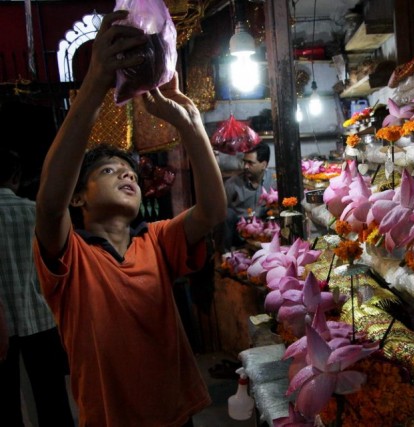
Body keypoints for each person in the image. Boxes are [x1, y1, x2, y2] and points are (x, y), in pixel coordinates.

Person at [32, 10, 226, 427]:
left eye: (131, 175)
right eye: (109, 171)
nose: (127, 176)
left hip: (175, 415)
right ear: (79, 197)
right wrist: (96, 82)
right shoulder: (70, 258)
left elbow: (212, 211)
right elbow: (49, 206)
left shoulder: (155, 240)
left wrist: (191, 125)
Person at [0, 149, 75, 427]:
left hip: (2, 324)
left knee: (6, 402)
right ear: (16, 176)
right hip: (41, 316)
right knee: (52, 397)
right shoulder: (36, 212)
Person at [223, 142, 277, 249]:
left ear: (264, 165)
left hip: (265, 233)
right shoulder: (232, 184)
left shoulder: (275, 181)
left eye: (250, 163)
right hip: (239, 234)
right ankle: (223, 253)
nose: (245, 166)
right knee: (226, 214)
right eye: (244, 162)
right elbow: (220, 215)